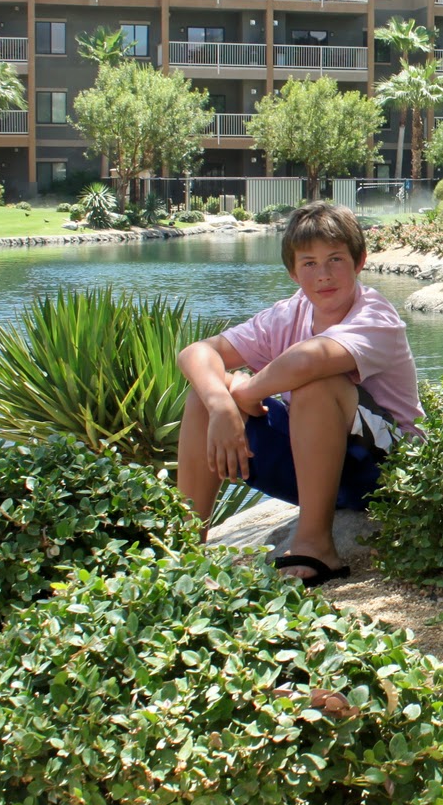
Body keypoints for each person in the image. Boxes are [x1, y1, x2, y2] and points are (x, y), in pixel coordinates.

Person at [176, 200, 424, 586]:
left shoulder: (375, 316)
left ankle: (315, 544)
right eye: (309, 263)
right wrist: (221, 404)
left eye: (335, 259)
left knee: (318, 384)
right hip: (318, 469)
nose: (323, 275)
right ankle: (185, 545)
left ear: (359, 262)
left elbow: (309, 360)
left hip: (385, 473)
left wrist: (246, 389)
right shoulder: (288, 313)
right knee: (203, 399)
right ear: (293, 272)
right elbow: (197, 352)